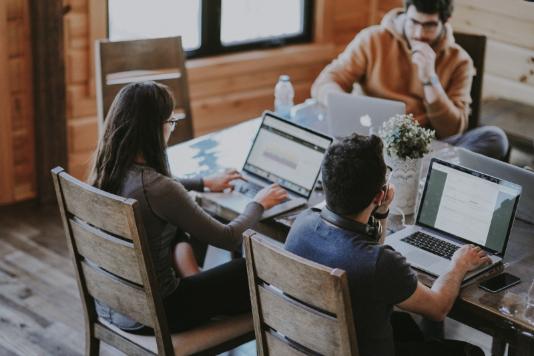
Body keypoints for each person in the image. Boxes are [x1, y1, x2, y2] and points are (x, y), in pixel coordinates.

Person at [88, 81, 288, 333]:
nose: (172, 128)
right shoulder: (159, 189)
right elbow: (227, 238)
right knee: (247, 269)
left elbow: (157, 190)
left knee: (177, 226)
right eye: (171, 122)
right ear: (155, 128)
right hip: (159, 313)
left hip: (111, 304)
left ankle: (194, 277)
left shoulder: (108, 170)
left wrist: (203, 183)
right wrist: (258, 203)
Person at [285, 134, 488, 356]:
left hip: (309, 345)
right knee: (471, 352)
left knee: (404, 325)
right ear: (379, 195)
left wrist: (380, 213)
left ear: (326, 184)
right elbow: (438, 308)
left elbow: (363, 249)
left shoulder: (300, 225)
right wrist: (458, 265)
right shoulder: (380, 263)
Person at [312, 0, 508, 160]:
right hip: (370, 139)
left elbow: (452, 129)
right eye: (413, 22)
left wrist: (430, 79)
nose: (419, 34)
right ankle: (424, 173)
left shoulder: (460, 61)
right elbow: (325, 82)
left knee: (495, 138)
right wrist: (344, 106)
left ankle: (423, 171)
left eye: (429, 25)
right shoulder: (372, 39)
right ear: (405, 14)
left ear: (445, 21)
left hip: (424, 149)